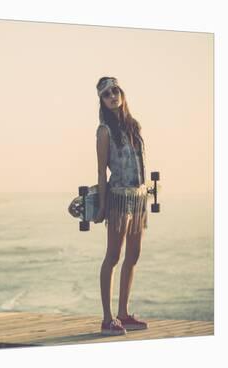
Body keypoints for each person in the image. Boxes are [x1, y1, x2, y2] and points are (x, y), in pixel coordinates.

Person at [94, 77, 149, 336]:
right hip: (118, 197)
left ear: (122, 93)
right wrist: (102, 206)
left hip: (139, 198)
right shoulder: (104, 131)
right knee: (113, 256)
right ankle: (107, 319)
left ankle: (124, 314)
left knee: (134, 255)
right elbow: (101, 172)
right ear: (102, 101)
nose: (112, 96)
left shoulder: (134, 126)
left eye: (115, 90)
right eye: (106, 94)